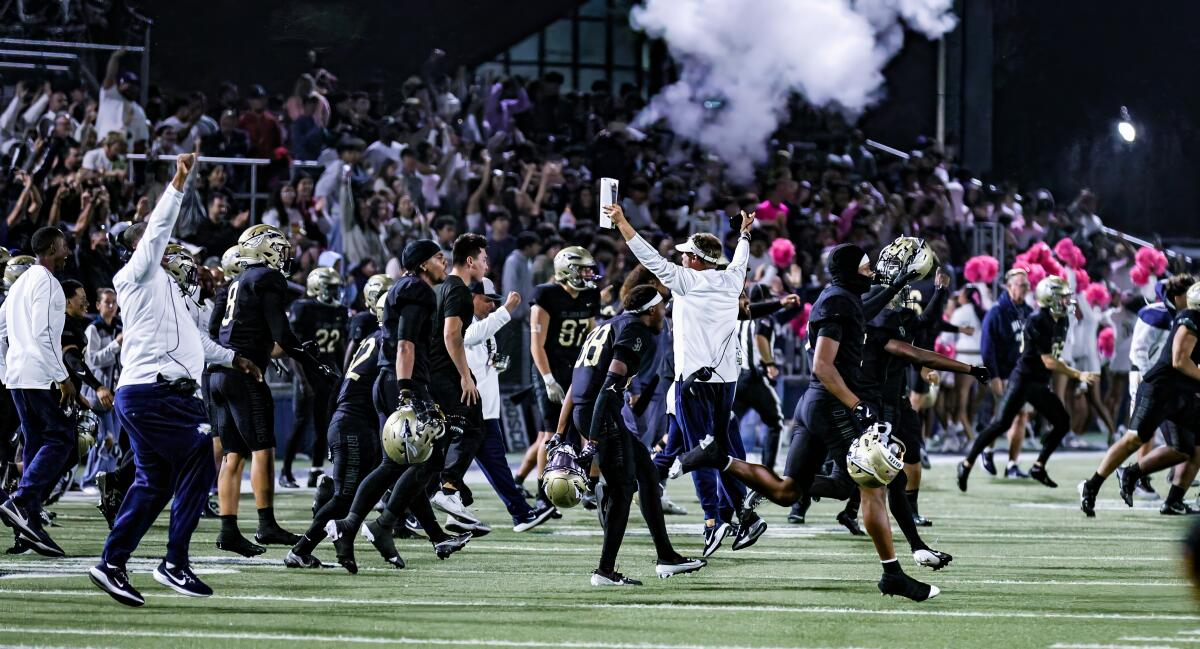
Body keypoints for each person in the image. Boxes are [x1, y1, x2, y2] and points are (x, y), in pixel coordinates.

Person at [670, 243, 939, 601]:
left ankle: (717, 457)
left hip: (817, 404)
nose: (870, 273)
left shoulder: (841, 297)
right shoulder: (837, 301)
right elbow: (823, 366)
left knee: (787, 491)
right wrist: (857, 405)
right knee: (874, 482)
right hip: (830, 404)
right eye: (864, 268)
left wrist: (895, 284)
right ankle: (893, 574)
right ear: (848, 272)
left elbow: (863, 308)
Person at [86, 154, 260, 606]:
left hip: (160, 393)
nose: (168, 248)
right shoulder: (136, 274)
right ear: (136, 247)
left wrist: (236, 358)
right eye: (149, 241)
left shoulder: (167, 289)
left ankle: (111, 563)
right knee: (200, 457)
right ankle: (175, 562)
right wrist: (178, 182)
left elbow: (195, 344)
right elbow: (158, 232)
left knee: (153, 483)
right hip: (154, 392)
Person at [607, 202, 761, 556]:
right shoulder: (731, 277)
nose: (680, 260)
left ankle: (713, 520)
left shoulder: (686, 280)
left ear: (696, 258)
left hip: (693, 382)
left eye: (685, 255)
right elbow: (740, 257)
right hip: (726, 381)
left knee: (700, 453)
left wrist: (622, 223)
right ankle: (743, 514)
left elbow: (648, 257)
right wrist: (745, 233)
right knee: (719, 449)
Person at [324, 240, 472, 569]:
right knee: (416, 461)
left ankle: (357, 528)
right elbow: (405, 343)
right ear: (421, 264)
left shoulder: (405, 288)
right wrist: (407, 391)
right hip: (400, 381)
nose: (444, 262)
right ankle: (373, 525)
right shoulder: (416, 291)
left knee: (407, 462)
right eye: (437, 258)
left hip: (393, 379)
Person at [570, 284, 706, 585]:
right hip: (601, 414)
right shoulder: (636, 330)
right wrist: (592, 442)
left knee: (647, 472)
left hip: (590, 410)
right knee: (622, 490)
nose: (665, 313)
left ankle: (666, 556)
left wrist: (560, 430)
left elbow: (574, 386)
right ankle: (605, 570)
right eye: (662, 308)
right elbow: (608, 387)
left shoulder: (610, 325)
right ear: (651, 310)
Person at [210, 224, 313, 556]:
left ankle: (228, 531)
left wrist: (255, 351)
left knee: (233, 454)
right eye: (278, 246)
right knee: (262, 448)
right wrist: (306, 358)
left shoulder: (232, 284)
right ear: (263, 247)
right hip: (244, 376)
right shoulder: (266, 279)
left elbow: (216, 334)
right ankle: (266, 524)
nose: (284, 253)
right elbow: (281, 332)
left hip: (216, 373)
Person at [958, 276, 1098, 491]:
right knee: (1001, 424)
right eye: (1061, 297)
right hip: (1023, 380)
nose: (1066, 301)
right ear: (1048, 298)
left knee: (1062, 422)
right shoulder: (1037, 319)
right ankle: (967, 463)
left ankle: (1038, 466)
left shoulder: (1062, 319)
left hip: (1039, 382)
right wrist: (1078, 375)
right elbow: (1048, 360)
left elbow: (1055, 355)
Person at [1081, 280, 1200, 516]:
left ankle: (1164, 494)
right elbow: (1179, 360)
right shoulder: (1191, 318)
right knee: (1133, 440)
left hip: (1181, 394)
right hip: (1161, 389)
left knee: (1188, 448)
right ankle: (1092, 486)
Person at [286, 294, 387, 571]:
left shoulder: (376, 337)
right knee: (346, 497)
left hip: (353, 423)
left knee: (356, 494)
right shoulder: (389, 342)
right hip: (352, 425)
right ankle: (301, 549)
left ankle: (329, 508)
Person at [0, 226, 75, 557]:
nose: (67, 253)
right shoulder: (47, 282)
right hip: (38, 374)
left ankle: (27, 527)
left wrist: (7, 368)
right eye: (63, 247)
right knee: (61, 438)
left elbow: (0, 330)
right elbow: (43, 333)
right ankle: (23, 501)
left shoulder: (18, 285)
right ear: (50, 247)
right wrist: (63, 376)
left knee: (35, 443)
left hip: (18, 375)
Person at [463, 278, 555, 532]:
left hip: (483, 411)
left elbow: (483, 351)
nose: (492, 306)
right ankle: (396, 512)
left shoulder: (482, 325)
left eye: (495, 302)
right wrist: (507, 309)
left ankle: (520, 513)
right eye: (488, 300)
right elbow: (470, 337)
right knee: (440, 471)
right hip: (467, 411)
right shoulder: (460, 321)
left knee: (493, 465)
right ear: (472, 297)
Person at [526, 245, 600, 511]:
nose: (589, 274)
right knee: (549, 433)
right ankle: (542, 495)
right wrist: (547, 378)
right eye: (583, 269)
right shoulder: (545, 295)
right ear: (567, 270)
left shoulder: (590, 294)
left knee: (588, 429)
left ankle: (590, 488)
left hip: (579, 369)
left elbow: (591, 335)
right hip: (551, 368)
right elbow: (537, 344)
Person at [280, 267, 348, 489]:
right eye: (331, 287)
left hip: (328, 372)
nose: (335, 292)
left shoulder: (339, 311)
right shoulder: (303, 308)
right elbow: (294, 349)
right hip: (307, 371)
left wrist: (343, 374)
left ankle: (316, 471)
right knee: (301, 423)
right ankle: (285, 471)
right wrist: (302, 380)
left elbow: (339, 348)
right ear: (317, 286)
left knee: (324, 423)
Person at [978, 269, 1034, 478]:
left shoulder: (1028, 311)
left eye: (1026, 285)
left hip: (1022, 373)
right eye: (1021, 284)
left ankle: (1012, 465)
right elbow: (987, 346)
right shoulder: (997, 311)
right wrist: (993, 375)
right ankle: (987, 449)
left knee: (1021, 416)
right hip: (1002, 372)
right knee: (1002, 417)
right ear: (1009, 286)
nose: (1025, 288)